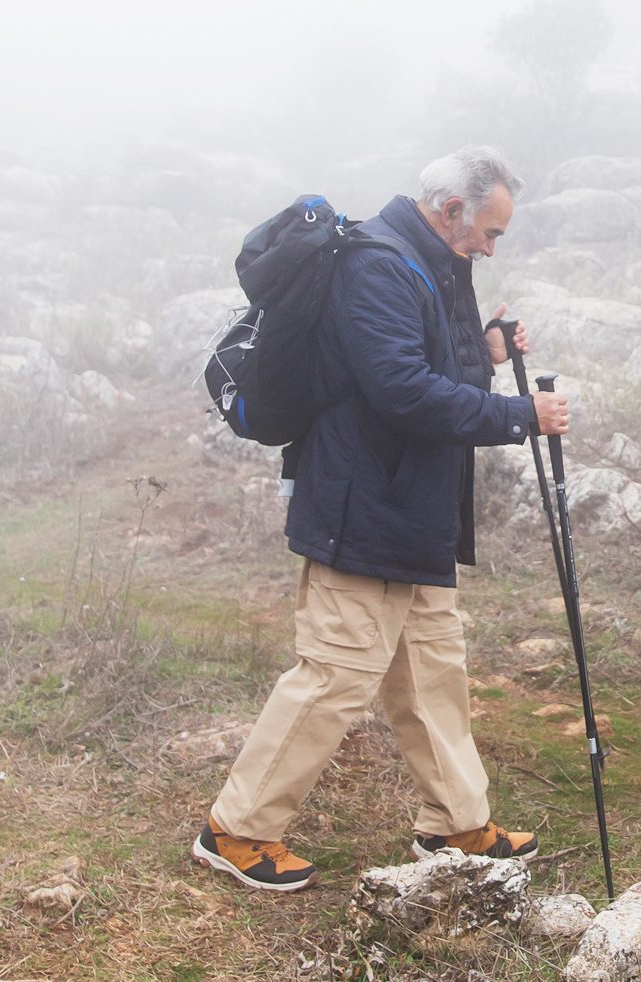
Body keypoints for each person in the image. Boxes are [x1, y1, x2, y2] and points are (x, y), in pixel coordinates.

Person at [193, 146, 569, 892]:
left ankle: (456, 822)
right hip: (360, 506)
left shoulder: (433, 260)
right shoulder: (380, 264)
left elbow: (428, 368)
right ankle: (236, 831)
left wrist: (486, 351)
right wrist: (521, 414)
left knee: (433, 671)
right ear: (452, 209)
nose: (493, 248)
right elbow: (402, 390)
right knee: (335, 674)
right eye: (490, 232)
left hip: (413, 507)